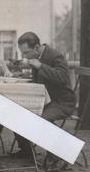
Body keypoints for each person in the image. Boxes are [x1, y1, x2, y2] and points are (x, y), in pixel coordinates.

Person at [12, 31, 76, 159]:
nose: (25, 56)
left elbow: (63, 78)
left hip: (62, 102)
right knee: (15, 111)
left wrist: (40, 66)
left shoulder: (56, 55)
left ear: (36, 47)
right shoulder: (36, 56)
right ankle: (26, 150)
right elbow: (41, 79)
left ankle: (57, 156)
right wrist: (23, 77)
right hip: (45, 100)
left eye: (26, 53)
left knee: (41, 119)